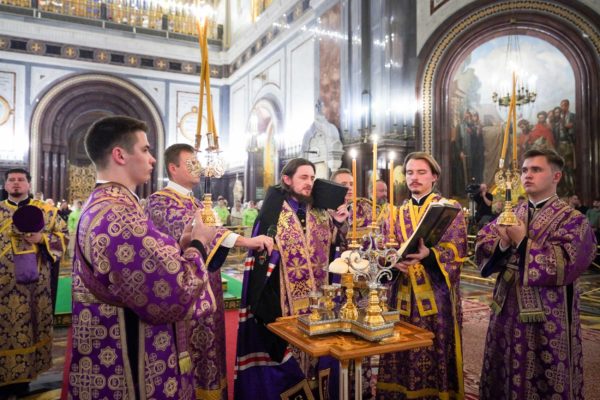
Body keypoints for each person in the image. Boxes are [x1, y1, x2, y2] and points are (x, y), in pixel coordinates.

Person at [67, 116, 219, 399]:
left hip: (107, 341)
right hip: (128, 354)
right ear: (120, 155)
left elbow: (137, 266)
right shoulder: (119, 214)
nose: (152, 159)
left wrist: (180, 246)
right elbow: (174, 289)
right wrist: (199, 242)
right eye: (145, 149)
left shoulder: (106, 202)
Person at [145, 143, 273, 399]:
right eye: (191, 163)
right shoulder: (160, 202)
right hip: (183, 288)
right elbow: (202, 233)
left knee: (211, 344)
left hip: (207, 284)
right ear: (173, 168)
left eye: (198, 162)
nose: (199, 167)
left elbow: (214, 234)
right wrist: (249, 241)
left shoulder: (194, 201)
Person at [475, 149, 597, 399]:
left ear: (556, 176)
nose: (527, 175)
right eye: (524, 170)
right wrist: (502, 244)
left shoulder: (573, 220)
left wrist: (522, 242)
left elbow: (567, 263)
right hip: (506, 306)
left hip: (548, 313)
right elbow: (483, 243)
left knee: (543, 373)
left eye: (536, 170)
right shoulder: (512, 212)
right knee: (502, 366)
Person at [234, 158, 348, 399]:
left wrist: (339, 224)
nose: (309, 183)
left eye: (312, 178)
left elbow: (333, 254)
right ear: (287, 179)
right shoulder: (273, 212)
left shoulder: (320, 213)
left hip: (319, 306)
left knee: (317, 363)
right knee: (287, 367)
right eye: (303, 177)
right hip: (283, 306)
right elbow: (260, 264)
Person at [377, 152, 467, 399]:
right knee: (399, 348)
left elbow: (457, 249)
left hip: (436, 297)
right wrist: (392, 261)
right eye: (409, 172)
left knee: (435, 346)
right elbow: (382, 249)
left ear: (434, 176)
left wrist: (429, 255)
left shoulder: (449, 209)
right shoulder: (395, 213)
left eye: (421, 172)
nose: (414, 177)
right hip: (401, 295)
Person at [0, 168, 67, 398]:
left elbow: (64, 238)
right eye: (11, 180)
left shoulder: (48, 212)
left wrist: (42, 239)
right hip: (2, 290)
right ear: (5, 185)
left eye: (21, 180)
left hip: (34, 292)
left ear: (29, 184)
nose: (16, 183)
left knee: (29, 331)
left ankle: (24, 382)